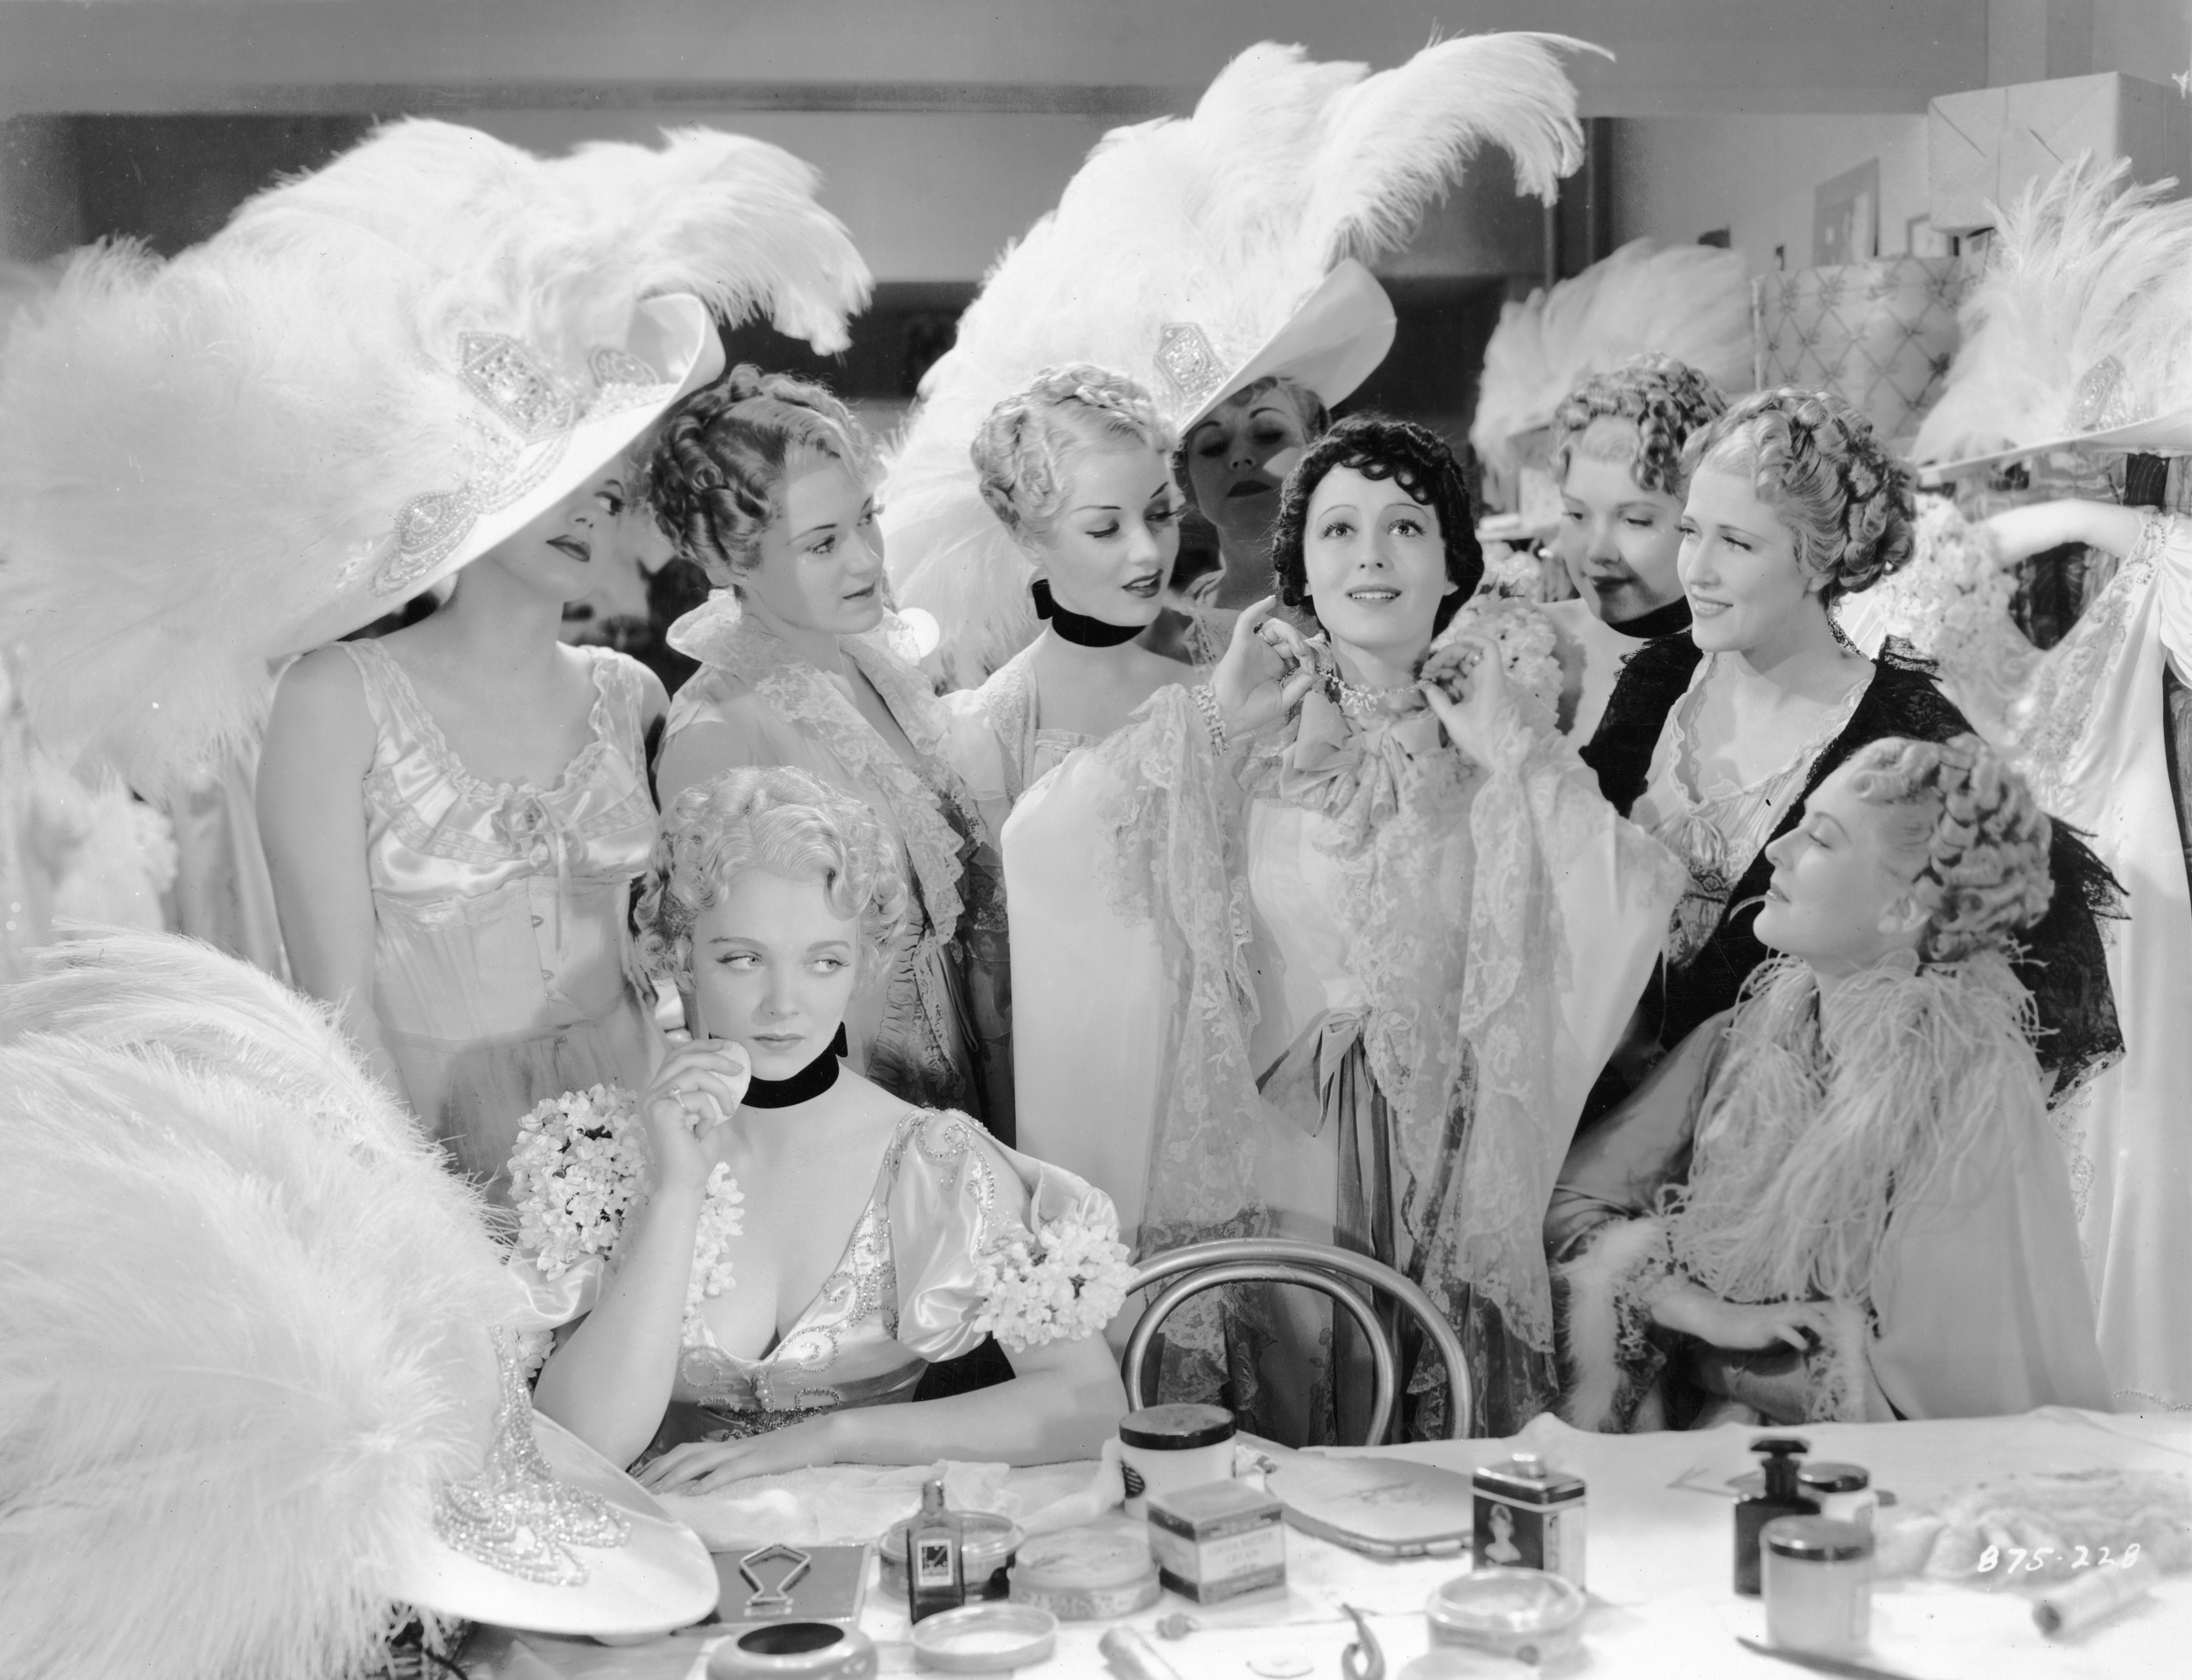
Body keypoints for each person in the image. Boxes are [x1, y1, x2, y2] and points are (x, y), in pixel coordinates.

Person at [0, 120, 871, 1209]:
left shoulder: (630, 697)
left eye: (610, 486)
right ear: (476, 474)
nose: (588, 509)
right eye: (556, 474)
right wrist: (437, 1220)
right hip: (451, 1169)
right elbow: (339, 1010)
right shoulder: (336, 700)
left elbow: (683, 953)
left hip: (648, 1150)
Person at [1006, 414, 1682, 1442]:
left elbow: (1628, 895)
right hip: (1279, 1150)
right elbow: (1049, 844)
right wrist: (1216, 723)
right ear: (1300, 569)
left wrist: (1511, 748)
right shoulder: (1235, 730)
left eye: (1405, 527)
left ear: (1454, 561)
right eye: (1339, 531)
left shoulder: (1501, 735)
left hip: (1440, 1159)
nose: (1371, 555)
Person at [885, 32, 1594, 689]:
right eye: (1212, 444)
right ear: (1182, 483)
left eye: (1267, 434)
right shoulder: (1153, 636)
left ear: (1316, 442)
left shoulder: (1388, 594)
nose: (1240, 460)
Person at [519, 766, 1129, 1491]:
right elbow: (573, 1446)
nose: (784, 1004)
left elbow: (1089, 1407)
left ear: (862, 965)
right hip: (661, 1559)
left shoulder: (936, 1162)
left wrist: (833, 1437)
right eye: (742, 959)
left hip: (880, 1560)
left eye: (823, 962)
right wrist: (677, 1191)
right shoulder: (591, 1152)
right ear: (682, 955)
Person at [1547, 736, 2112, 1428]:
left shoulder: (1965, 1092)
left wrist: (1707, 1361)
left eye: (1819, 838)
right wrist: (1697, 1312)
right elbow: (1572, 1205)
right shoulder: (1736, 1038)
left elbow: (1937, 1400)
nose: (1779, 849)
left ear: (1905, 911)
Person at [1577, 388, 2120, 1106]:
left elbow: (2044, 964)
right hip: (1597, 1119)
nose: (1696, 570)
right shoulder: (1658, 679)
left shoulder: (1905, 732)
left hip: (1776, 1141)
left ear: (1822, 560)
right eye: (1689, 531)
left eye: (1736, 543)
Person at [1853, 497, 2192, 1414]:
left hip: (2127, 950)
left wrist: (2068, 513)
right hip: (1981, 971)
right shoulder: (1903, 641)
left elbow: (2178, 556)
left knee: (2123, 1163)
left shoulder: (2131, 632)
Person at [646, 367, 991, 1125]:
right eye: (822, 543)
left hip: (954, 1066)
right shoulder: (719, 730)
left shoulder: (872, 661)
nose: (867, 559)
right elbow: (733, 1000)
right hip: (839, 1102)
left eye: (865, 520)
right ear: (729, 562)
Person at [1541, 354, 1726, 738]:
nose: (1597, 552)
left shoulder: (1746, 664)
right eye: (1577, 515)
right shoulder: (1524, 641)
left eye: (1636, 521)